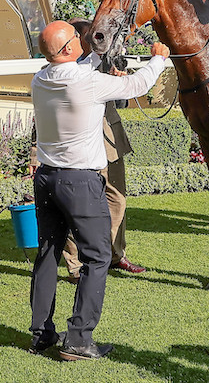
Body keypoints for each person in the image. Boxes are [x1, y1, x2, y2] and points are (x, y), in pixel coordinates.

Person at [28, 20, 169, 360]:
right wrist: (158, 59)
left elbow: (80, 70)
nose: (82, 39)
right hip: (79, 181)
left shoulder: (41, 79)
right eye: (78, 37)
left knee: (48, 254)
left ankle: (42, 334)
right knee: (98, 257)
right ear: (68, 49)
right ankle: (78, 339)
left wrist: (97, 57)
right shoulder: (87, 82)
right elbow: (138, 84)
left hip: (47, 178)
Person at [61, 20, 147, 284]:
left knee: (118, 199)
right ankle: (76, 266)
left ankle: (114, 255)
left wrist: (116, 79)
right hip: (79, 149)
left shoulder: (104, 62)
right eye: (94, 37)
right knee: (78, 208)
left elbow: (120, 93)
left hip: (111, 142)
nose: (102, 41)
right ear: (78, 41)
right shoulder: (58, 72)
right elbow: (42, 117)